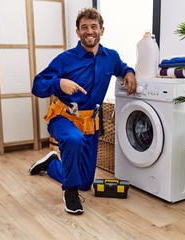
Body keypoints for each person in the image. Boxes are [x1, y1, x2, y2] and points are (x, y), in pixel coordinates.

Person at [29, 7, 136, 214]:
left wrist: (129, 72)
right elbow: (37, 85)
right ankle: (69, 192)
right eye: (84, 27)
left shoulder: (110, 57)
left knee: (86, 183)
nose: (89, 31)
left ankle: (52, 164)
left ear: (102, 30)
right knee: (73, 139)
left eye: (94, 27)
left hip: (90, 124)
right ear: (77, 32)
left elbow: (121, 67)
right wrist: (59, 83)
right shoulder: (65, 59)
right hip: (63, 118)